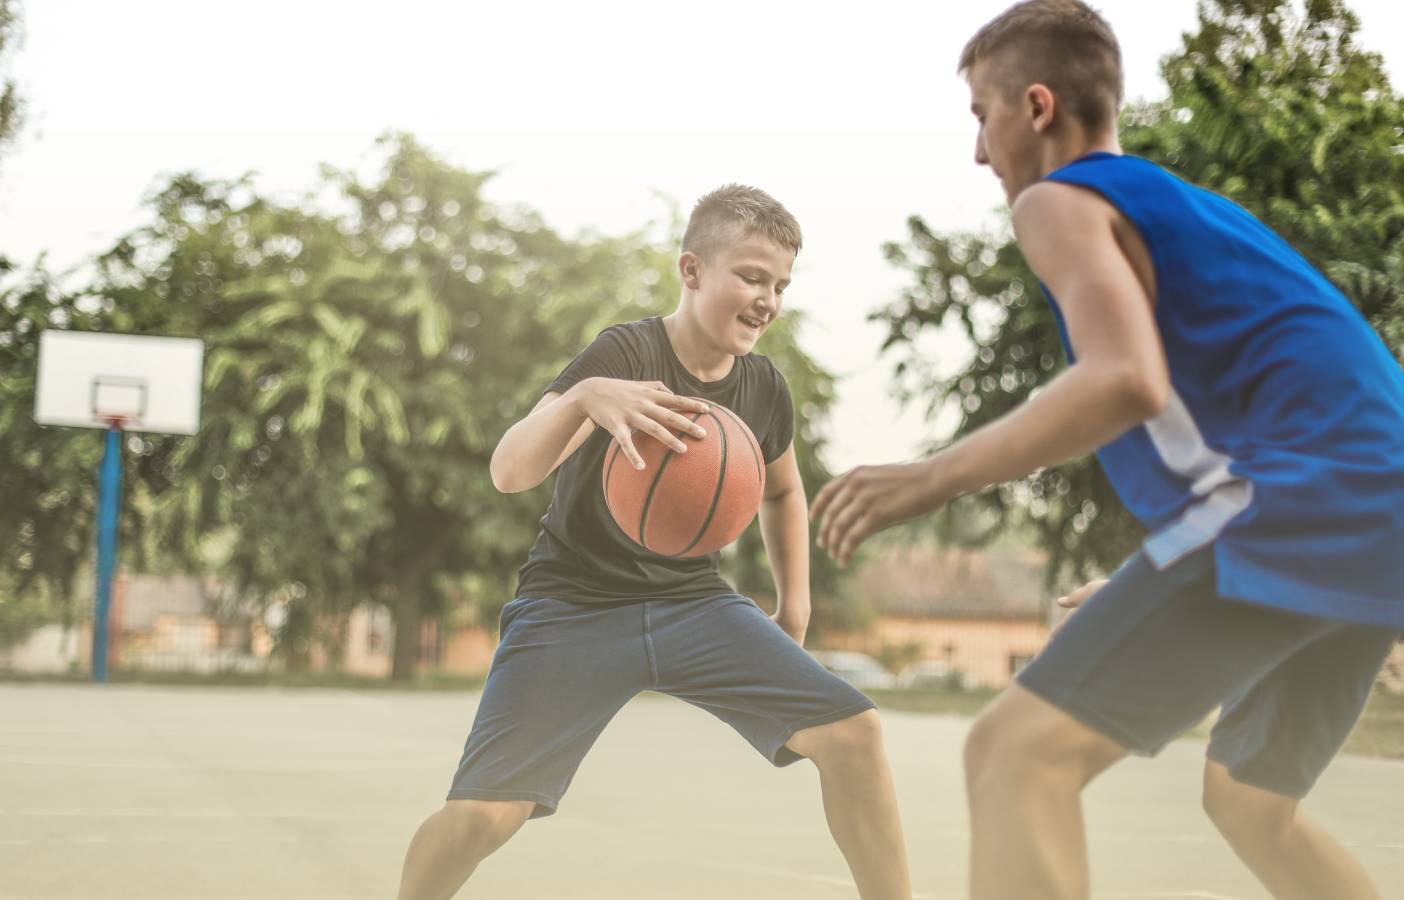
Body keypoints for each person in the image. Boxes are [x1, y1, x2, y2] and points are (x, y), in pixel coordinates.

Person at [811, 2, 1404, 898]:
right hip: (1368, 518)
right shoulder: (1184, 209)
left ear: (1037, 107)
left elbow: (1125, 380)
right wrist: (1158, 564)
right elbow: (1281, 407)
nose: (979, 151)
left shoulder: (1064, 198)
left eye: (981, 115)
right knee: (1250, 800)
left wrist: (929, 477)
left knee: (1014, 755)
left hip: (1301, 506)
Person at [397, 184, 912, 900]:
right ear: (692, 270)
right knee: (482, 817)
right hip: (573, 606)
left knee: (854, 733)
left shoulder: (763, 387)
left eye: (781, 285)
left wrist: (795, 604)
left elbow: (784, 489)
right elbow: (509, 470)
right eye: (753, 277)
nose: (768, 299)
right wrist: (585, 397)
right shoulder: (625, 351)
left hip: (692, 604)